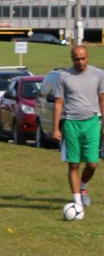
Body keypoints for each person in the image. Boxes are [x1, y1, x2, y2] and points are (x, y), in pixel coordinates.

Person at [53, 44, 104, 210]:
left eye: (83, 58)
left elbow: (102, 99)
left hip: (92, 122)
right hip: (71, 123)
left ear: (87, 57)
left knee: (92, 164)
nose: (80, 62)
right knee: (73, 164)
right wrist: (56, 128)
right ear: (72, 59)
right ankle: (76, 201)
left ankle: (82, 185)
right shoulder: (64, 76)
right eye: (77, 59)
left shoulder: (98, 75)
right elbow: (59, 102)